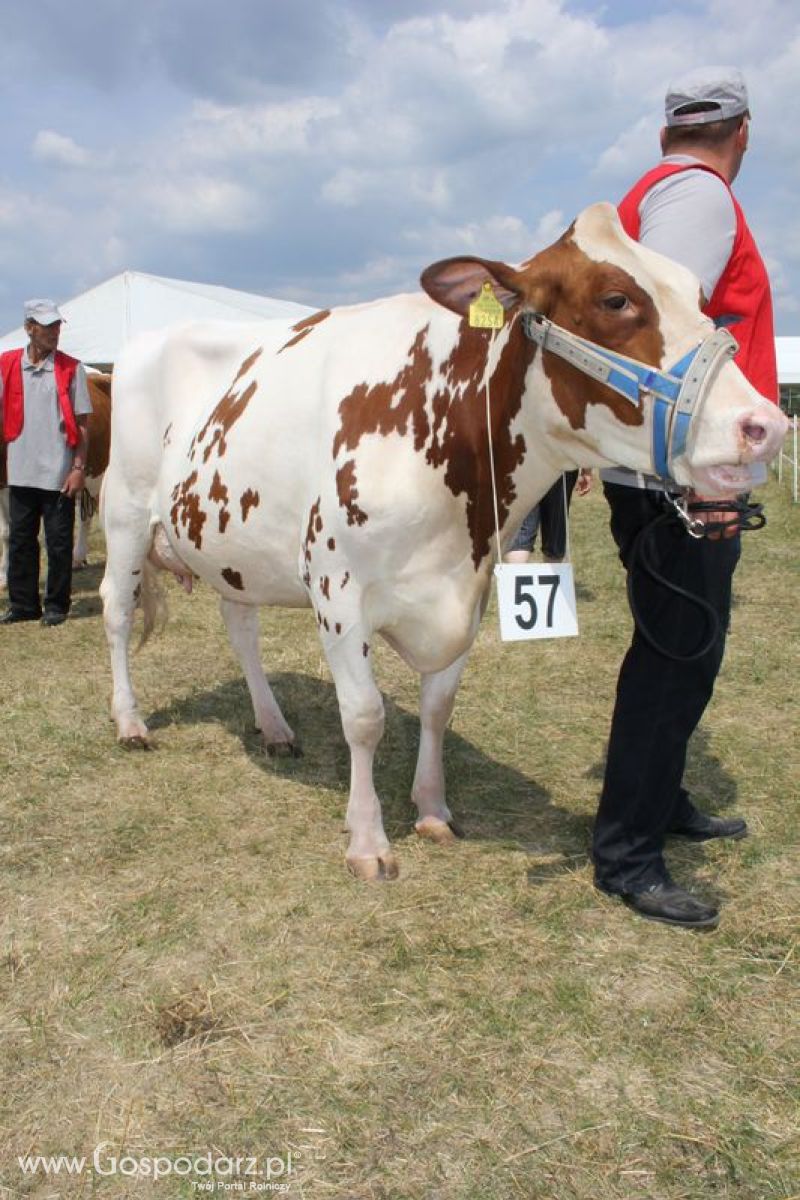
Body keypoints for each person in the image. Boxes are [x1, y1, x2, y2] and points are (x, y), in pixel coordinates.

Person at [592, 67, 779, 929]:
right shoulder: (699, 196)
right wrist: (694, 477)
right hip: (683, 479)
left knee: (685, 654)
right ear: (743, 131)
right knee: (676, 659)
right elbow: (664, 337)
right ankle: (628, 854)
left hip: (674, 474)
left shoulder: (663, 191)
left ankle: (660, 804)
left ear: (670, 130)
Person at [0, 299, 92, 627]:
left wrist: (78, 468)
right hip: (21, 471)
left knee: (58, 543)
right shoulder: (7, 365)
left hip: (58, 474)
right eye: (47, 326)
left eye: (57, 325)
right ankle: (23, 604)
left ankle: (56, 605)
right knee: (21, 541)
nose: (55, 332)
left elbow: (82, 424)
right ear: (29, 327)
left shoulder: (71, 368)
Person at [505, 469, 592, 564]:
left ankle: (516, 576)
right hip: (560, 464)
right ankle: (551, 577)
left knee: (521, 533)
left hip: (525, 462)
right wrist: (587, 470)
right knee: (555, 535)